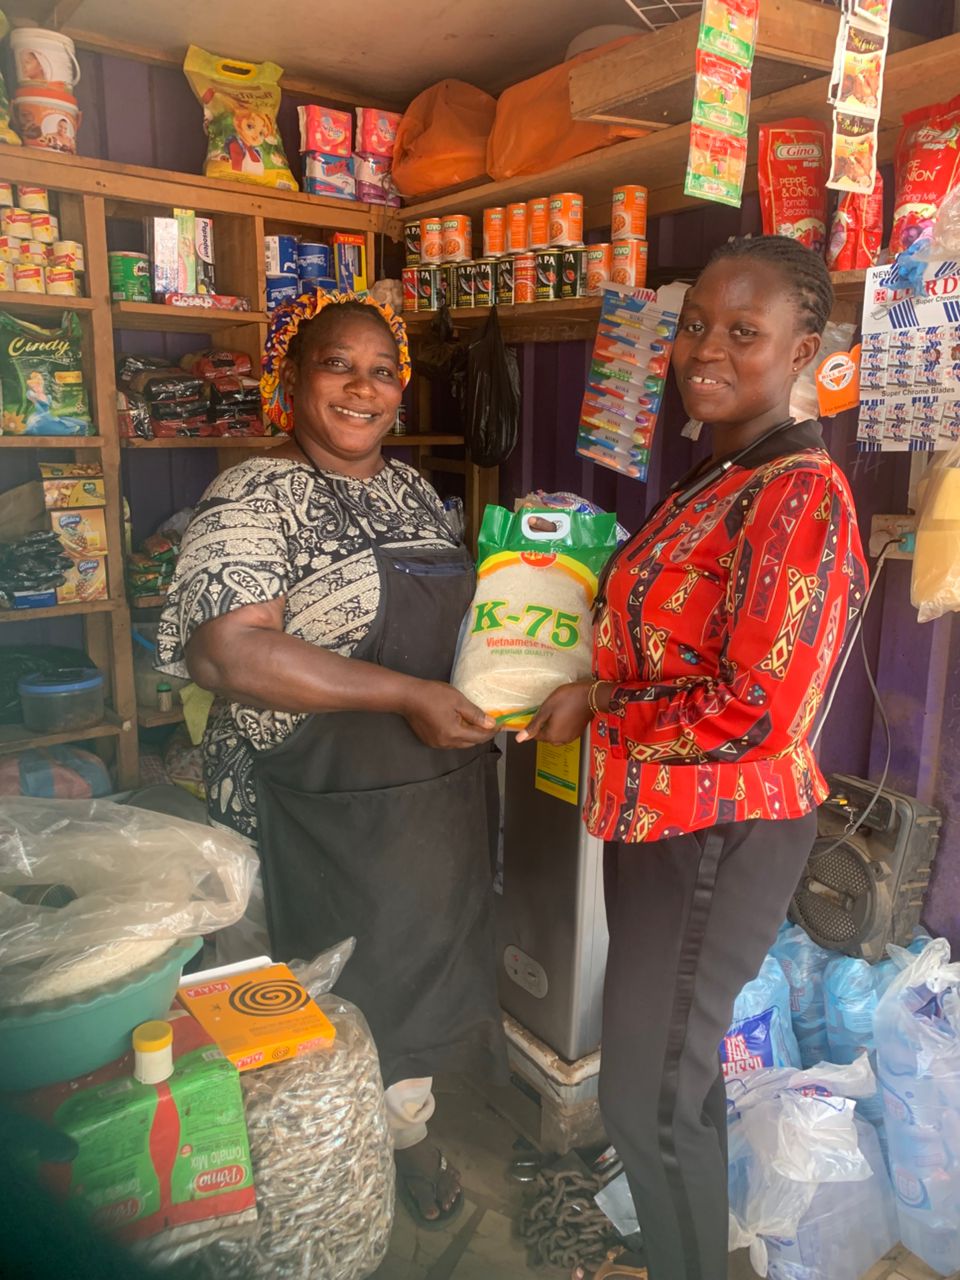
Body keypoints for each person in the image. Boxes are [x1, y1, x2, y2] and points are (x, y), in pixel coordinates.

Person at [518, 236, 868, 1280]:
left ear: (801, 350)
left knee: (646, 1097)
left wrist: (600, 706)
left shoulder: (800, 493)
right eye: (696, 325)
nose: (705, 350)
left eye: (742, 332)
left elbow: (758, 709)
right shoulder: (722, 472)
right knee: (673, 1079)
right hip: (661, 824)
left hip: (718, 831)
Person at [157, 290, 504, 1226]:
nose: (362, 388)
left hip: (422, 803)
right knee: (297, 1004)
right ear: (293, 379)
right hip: (299, 804)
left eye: (383, 372)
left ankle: (405, 1135)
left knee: (411, 986)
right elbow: (227, 654)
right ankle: (303, 1182)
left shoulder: (412, 492)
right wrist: (406, 695)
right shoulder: (252, 494)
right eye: (337, 365)